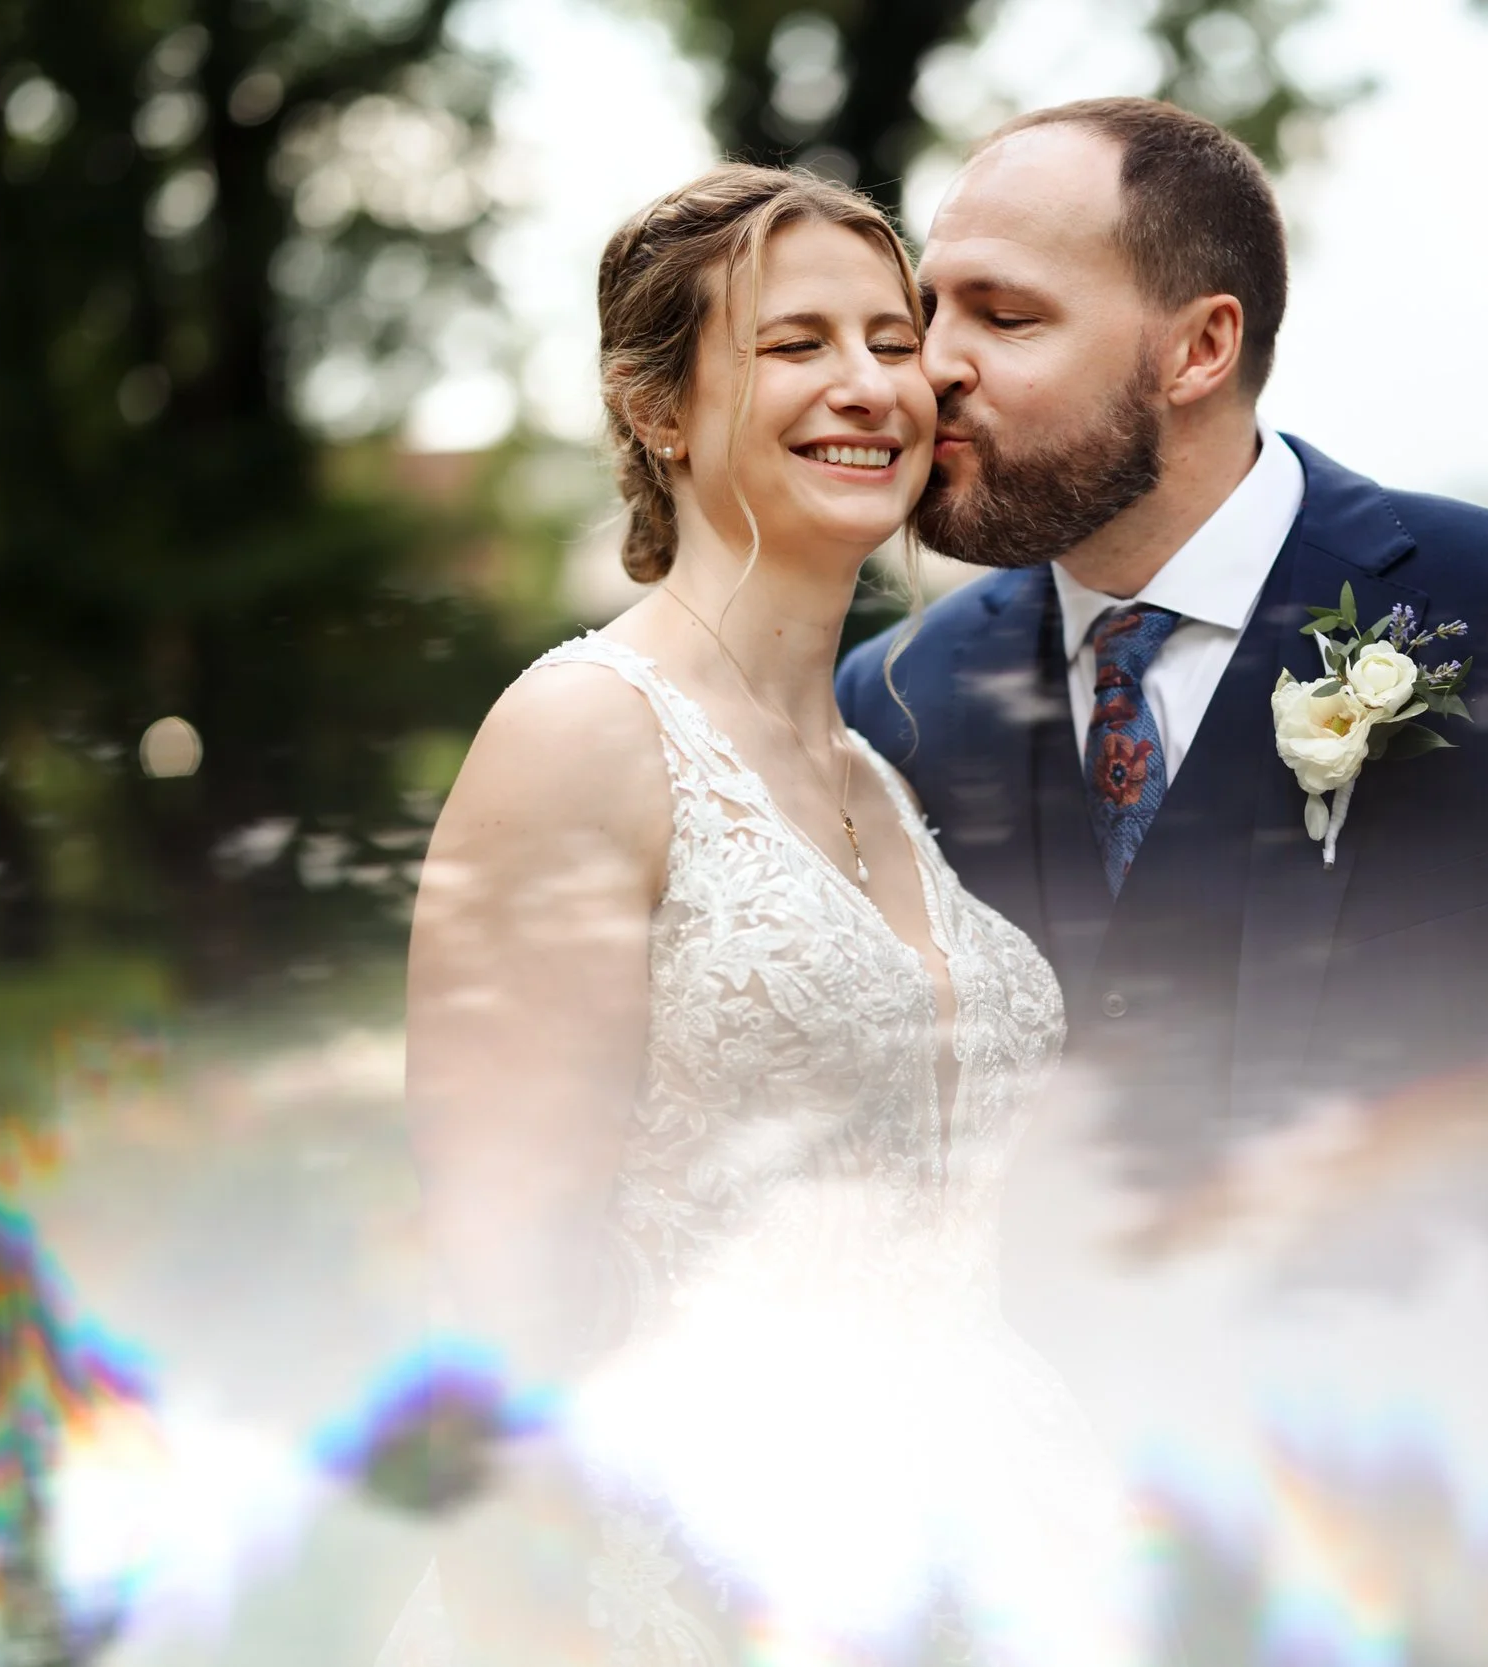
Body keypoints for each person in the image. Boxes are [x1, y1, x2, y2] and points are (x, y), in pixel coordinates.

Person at [833, 98, 1488, 1661]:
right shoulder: (884, 704)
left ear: (1198, 346)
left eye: (1005, 315)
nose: (930, 363)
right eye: (929, 308)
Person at [397, 165, 1136, 1667]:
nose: (872, 384)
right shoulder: (583, 737)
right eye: (796, 344)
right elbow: (495, 1276)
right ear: (657, 406)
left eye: (891, 336)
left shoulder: (875, 763)